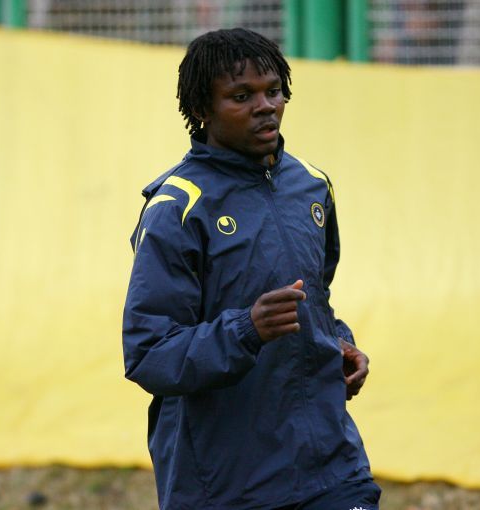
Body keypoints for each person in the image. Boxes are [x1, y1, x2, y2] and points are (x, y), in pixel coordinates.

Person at [122, 27, 380, 510]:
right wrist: (246, 330)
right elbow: (149, 352)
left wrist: (339, 343)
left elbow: (316, 299)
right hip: (228, 484)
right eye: (241, 96)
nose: (265, 106)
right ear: (202, 108)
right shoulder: (177, 208)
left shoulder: (311, 186)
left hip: (330, 467)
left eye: (273, 91)